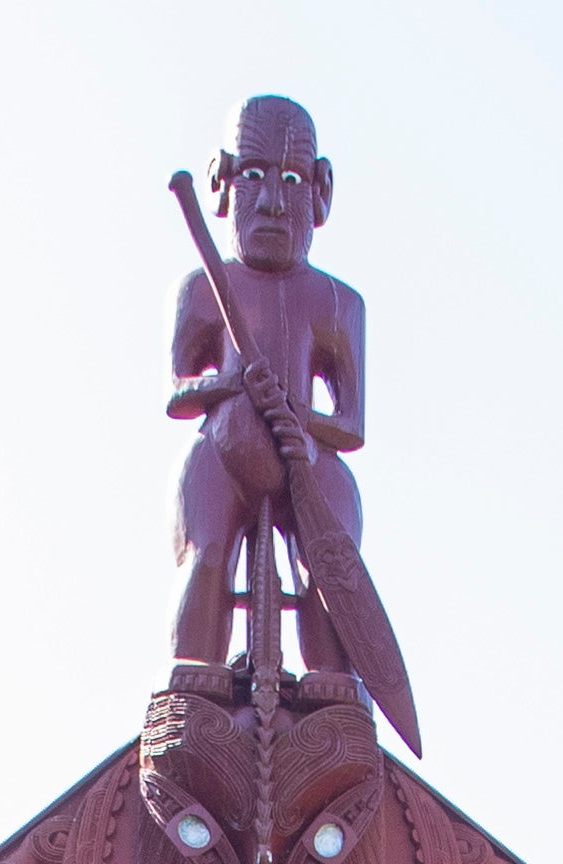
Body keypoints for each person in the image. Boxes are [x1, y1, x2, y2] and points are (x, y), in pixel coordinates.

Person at [164, 95, 369, 683]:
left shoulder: (337, 302)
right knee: (206, 558)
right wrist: (232, 383)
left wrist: (299, 417)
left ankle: (334, 682)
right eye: (253, 175)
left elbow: (351, 424)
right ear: (223, 182)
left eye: (293, 179)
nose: (274, 201)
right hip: (223, 452)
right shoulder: (204, 288)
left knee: (328, 568)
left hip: (308, 461)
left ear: (320, 188)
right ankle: (192, 678)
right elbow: (180, 389)